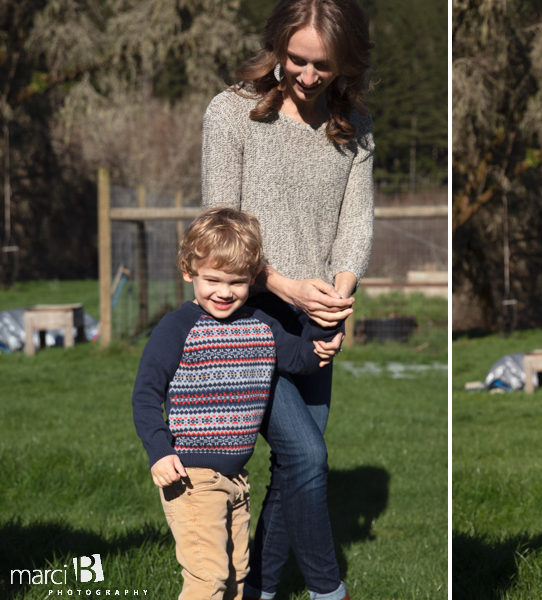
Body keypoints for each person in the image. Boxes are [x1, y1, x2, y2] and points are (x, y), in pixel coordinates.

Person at [200, 1, 374, 599]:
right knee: (309, 458)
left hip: (318, 320)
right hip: (247, 314)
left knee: (292, 472)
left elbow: (357, 222)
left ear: (344, 61)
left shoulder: (354, 126)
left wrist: (338, 297)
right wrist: (284, 285)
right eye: (296, 59)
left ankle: (260, 590)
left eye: (321, 64)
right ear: (277, 46)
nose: (305, 74)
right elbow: (219, 225)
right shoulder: (231, 113)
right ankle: (329, 590)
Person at [132, 207, 337, 600]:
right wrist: (158, 451)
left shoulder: (261, 322)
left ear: (252, 279)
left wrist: (321, 330)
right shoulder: (177, 328)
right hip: (191, 480)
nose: (224, 292)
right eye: (212, 280)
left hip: (236, 480)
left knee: (238, 577)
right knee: (208, 579)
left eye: (237, 282)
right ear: (188, 270)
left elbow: (300, 359)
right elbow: (145, 395)